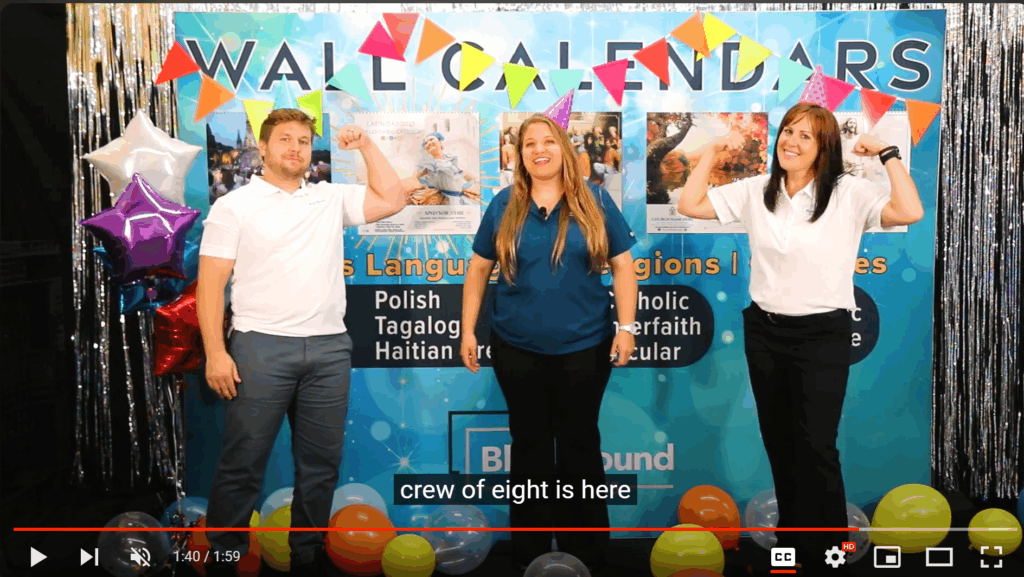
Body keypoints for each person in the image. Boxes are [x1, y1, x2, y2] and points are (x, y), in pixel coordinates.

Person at [676, 102, 924, 574]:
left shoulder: (848, 192)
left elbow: (909, 210)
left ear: (823, 148)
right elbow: (690, 205)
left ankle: (830, 555)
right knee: (780, 443)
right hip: (765, 330)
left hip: (822, 333)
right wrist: (708, 152)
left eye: (805, 136)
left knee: (816, 446)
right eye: (788, 131)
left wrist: (887, 153)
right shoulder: (757, 190)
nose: (790, 141)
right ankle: (792, 548)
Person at [197, 108, 404, 576]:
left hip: (329, 350)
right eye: (285, 139)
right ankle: (224, 563)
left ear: (312, 151)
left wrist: (367, 146)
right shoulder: (233, 206)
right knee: (242, 465)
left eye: (304, 141)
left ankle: (305, 560)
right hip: (259, 348)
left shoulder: (329, 198)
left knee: (320, 468)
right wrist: (215, 352)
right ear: (264, 148)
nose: (295, 148)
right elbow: (210, 285)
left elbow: (392, 199)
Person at [460, 113, 639, 574]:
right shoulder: (503, 204)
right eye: (528, 144)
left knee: (580, 446)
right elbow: (478, 269)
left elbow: (623, 267)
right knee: (530, 448)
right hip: (517, 349)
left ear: (563, 147)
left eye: (547, 141)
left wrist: (627, 327)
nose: (539, 150)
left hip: (585, 348)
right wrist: (467, 331)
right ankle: (531, 551)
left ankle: (588, 553)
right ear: (519, 156)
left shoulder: (596, 199)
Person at [413, 132, 481, 205]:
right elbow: (415, 178)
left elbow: (461, 173)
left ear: (440, 143)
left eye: (431, 139)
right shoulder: (427, 164)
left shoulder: (450, 160)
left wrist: (475, 181)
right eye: (426, 143)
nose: (429, 143)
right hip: (445, 201)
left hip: (460, 199)